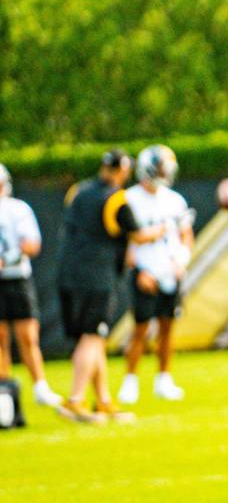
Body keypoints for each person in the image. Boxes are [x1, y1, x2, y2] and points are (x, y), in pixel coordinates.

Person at [55, 149, 163, 423]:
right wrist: (163, 229)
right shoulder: (117, 199)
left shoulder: (78, 190)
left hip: (68, 271)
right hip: (97, 275)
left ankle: (103, 400)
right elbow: (138, 235)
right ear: (122, 170)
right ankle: (75, 400)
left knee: (94, 338)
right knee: (92, 335)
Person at [118, 145, 195, 404]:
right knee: (140, 329)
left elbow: (186, 236)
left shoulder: (175, 200)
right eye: (160, 169)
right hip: (145, 271)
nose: (164, 174)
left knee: (167, 327)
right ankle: (130, 381)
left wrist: (182, 261)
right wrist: (138, 270)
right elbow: (126, 241)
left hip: (170, 272)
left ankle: (164, 379)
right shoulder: (129, 199)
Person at [0, 164, 63, 409]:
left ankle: (40, 387)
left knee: (28, 336)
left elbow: (32, 244)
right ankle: (4, 393)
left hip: (17, 278)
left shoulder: (18, 209)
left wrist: (7, 258)